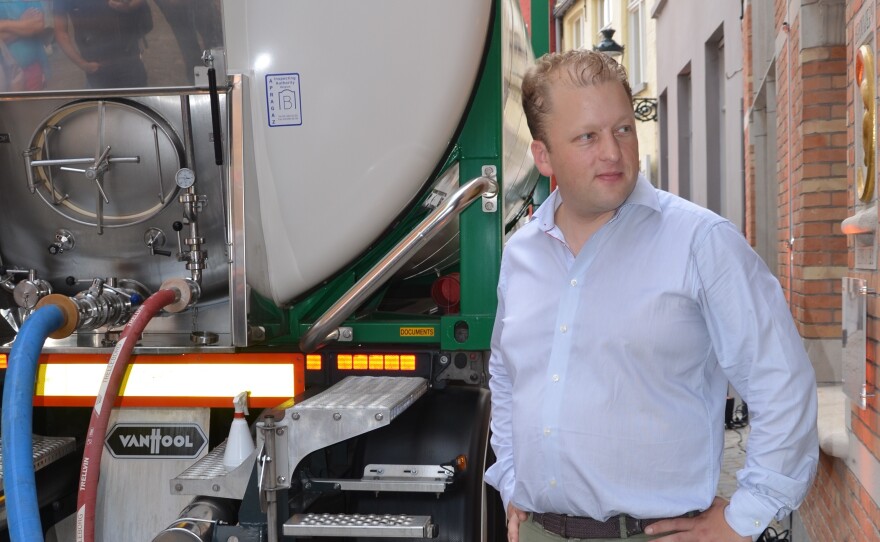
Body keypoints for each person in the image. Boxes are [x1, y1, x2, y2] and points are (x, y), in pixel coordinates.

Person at [484, 49, 818, 542]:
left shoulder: (701, 243)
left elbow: (782, 381)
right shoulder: (521, 254)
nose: (612, 152)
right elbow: (506, 376)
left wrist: (745, 516)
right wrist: (512, 480)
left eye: (623, 129)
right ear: (543, 155)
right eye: (587, 137)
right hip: (539, 530)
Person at [53, 0, 151, 88]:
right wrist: (82, 64)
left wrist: (130, 5)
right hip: (98, 68)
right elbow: (61, 32)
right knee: (102, 99)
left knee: (135, 100)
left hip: (130, 61)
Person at [0, 1, 49, 91]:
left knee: (32, 100)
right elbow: (31, 27)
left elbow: (37, 25)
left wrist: (4, 24)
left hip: (31, 72)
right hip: (3, 75)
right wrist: (22, 24)